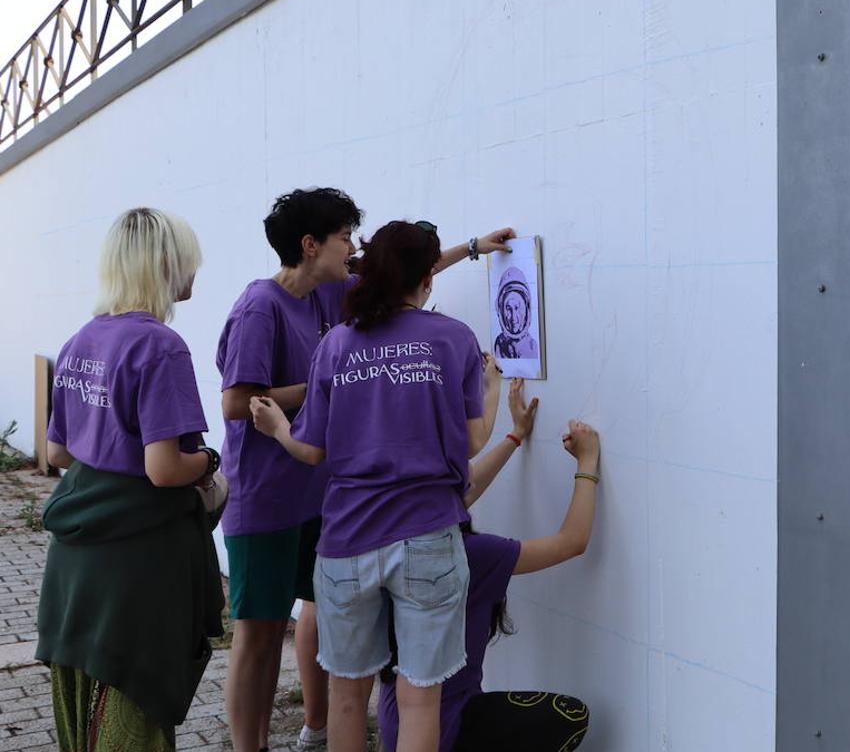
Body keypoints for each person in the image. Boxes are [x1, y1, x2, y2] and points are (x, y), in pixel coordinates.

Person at [217, 188, 511, 752]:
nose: (351, 247)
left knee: (340, 669)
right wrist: (323, 387)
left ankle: (313, 728)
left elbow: (402, 275)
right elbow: (237, 400)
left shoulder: (334, 322)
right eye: (344, 236)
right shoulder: (265, 307)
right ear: (311, 245)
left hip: (336, 519)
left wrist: (471, 248)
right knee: (270, 642)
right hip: (311, 507)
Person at [37, 208, 224, 752]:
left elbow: (58, 452)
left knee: (84, 725)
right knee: (130, 725)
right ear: (166, 263)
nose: (195, 271)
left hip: (74, 572)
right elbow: (164, 469)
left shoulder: (82, 338)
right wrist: (211, 463)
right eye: (190, 259)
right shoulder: (161, 345)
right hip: (135, 573)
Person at [378, 383, 599, 752]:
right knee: (569, 715)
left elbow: (464, 490)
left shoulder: (394, 537)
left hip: (396, 725)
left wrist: (514, 436)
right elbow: (572, 541)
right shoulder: (470, 555)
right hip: (444, 729)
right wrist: (587, 462)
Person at [492, 267, 538, 358]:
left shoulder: (533, 348)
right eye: (508, 308)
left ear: (526, 308)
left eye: (517, 308)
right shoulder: (498, 344)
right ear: (500, 310)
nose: (513, 317)